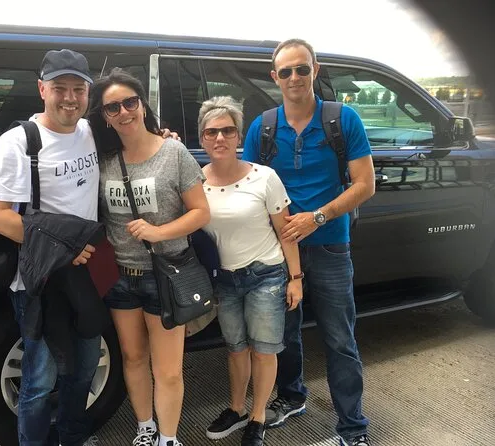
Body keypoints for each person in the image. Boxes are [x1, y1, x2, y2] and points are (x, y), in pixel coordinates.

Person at [242, 39, 376, 446]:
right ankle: (292, 396)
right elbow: (248, 184)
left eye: (302, 69)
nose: (295, 77)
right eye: (286, 71)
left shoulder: (342, 119)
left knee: (340, 339)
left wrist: (317, 217)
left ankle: (352, 428)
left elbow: (365, 185)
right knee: (283, 333)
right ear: (275, 77)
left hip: (331, 245)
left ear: (315, 70)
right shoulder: (263, 127)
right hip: (280, 251)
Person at [0, 49, 101, 446]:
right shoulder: (18, 142)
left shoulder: (90, 131)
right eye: (59, 88)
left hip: (86, 275)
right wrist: (64, 247)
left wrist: (165, 136)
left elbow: (135, 134)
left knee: (84, 367)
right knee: (39, 380)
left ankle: (72, 436)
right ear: (41, 89)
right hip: (39, 280)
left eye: (78, 89)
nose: (70, 98)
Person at [88, 68, 210, 446]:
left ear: (142, 105)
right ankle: (145, 428)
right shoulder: (103, 158)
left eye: (130, 102)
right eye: (113, 108)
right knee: (133, 357)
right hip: (120, 276)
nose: (123, 112)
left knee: (168, 369)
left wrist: (160, 232)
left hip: (166, 274)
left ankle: (168, 438)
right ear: (104, 117)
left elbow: (200, 212)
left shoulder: (173, 152)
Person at [198, 96, 303, 446]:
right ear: (202, 138)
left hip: (266, 275)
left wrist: (296, 279)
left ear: (239, 136)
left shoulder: (264, 178)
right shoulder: (195, 182)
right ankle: (237, 408)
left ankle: (257, 418)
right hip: (225, 280)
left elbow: (286, 231)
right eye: (211, 132)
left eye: (228, 130)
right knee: (235, 349)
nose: (220, 138)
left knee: (264, 350)